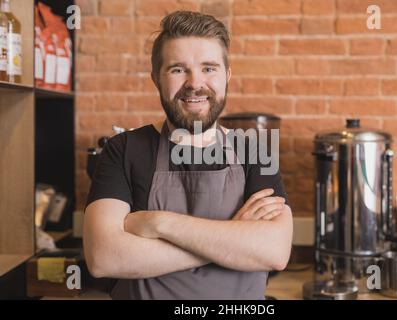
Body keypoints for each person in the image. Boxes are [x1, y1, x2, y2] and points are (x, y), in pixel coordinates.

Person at [83, 10, 293, 300]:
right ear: (156, 77)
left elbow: (275, 252)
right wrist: (233, 238)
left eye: (209, 68)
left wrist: (159, 224)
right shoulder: (123, 149)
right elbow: (103, 257)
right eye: (178, 69)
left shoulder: (254, 150)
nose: (195, 83)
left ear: (227, 75)